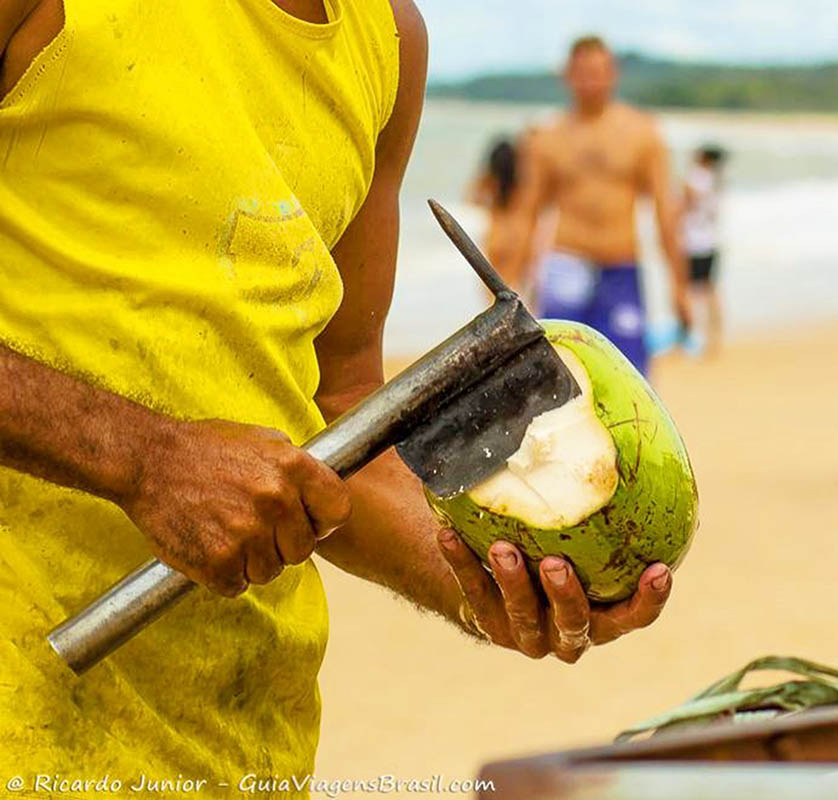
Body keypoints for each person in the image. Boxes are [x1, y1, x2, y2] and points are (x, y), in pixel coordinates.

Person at [0, 0, 673, 781]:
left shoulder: (388, 39)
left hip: (239, 726)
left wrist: (482, 576)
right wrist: (144, 460)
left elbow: (342, 411)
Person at [514, 35, 690, 375]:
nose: (590, 82)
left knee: (630, 375)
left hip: (620, 266)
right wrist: (512, 280)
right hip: (564, 264)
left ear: (613, 74)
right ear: (567, 75)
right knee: (560, 376)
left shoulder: (642, 132)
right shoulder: (546, 138)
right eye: (582, 73)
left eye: (598, 72)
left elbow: (663, 209)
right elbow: (526, 213)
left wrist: (678, 284)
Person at [681, 145, 727, 356]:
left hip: (694, 242)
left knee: (688, 292)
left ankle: (689, 339)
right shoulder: (717, 181)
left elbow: (683, 207)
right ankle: (714, 338)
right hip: (711, 240)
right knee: (710, 292)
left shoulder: (696, 179)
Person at [467, 137, 527, 287]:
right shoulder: (521, 183)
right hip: (518, 234)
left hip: (496, 234)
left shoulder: (490, 181)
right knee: (514, 288)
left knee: (491, 290)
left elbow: (472, 199)